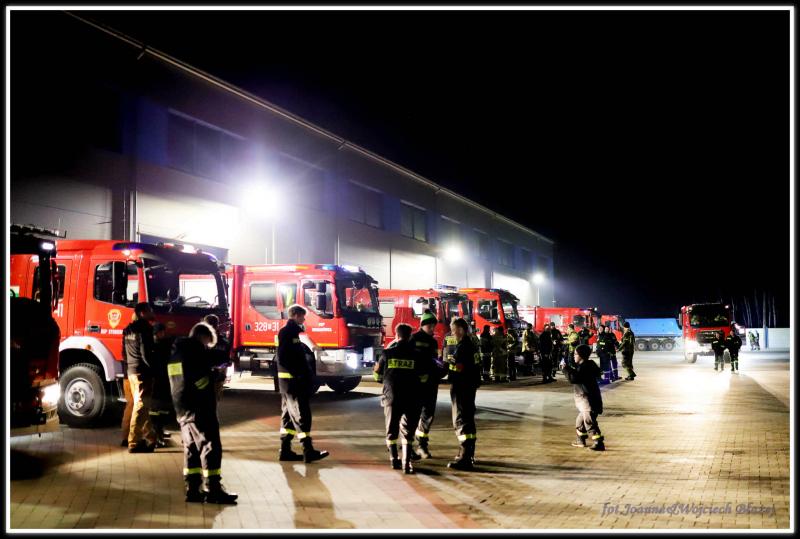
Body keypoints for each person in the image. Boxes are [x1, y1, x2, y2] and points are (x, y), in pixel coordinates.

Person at [169, 321, 238, 504]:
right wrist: (212, 376)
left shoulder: (177, 353)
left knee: (191, 448)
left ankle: (193, 489)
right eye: (207, 342)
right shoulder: (194, 350)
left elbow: (185, 378)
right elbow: (203, 374)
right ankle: (214, 488)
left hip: (182, 408)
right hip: (199, 407)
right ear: (202, 337)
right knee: (210, 445)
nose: (207, 346)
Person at [277, 305, 329, 463]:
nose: (304, 319)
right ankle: (308, 450)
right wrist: (299, 375)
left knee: (288, 417)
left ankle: (285, 450)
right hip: (293, 383)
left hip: (288, 383)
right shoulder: (288, 333)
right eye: (302, 316)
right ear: (295, 315)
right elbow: (285, 358)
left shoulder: (292, 333)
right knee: (302, 415)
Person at [373, 323, 428, 474]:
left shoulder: (387, 354)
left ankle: (393, 460)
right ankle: (407, 463)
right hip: (411, 398)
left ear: (397, 336)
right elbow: (424, 377)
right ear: (410, 337)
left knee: (391, 430)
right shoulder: (417, 355)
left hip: (391, 398)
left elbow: (377, 376)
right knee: (408, 431)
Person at [445, 317, 481, 470]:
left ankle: (465, 459)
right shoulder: (472, 345)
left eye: (453, 330)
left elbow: (459, 367)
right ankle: (468, 454)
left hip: (461, 387)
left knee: (461, 421)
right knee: (468, 420)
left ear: (461, 330)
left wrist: (446, 364)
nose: (452, 334)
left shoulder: (463, 347)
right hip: (470, 387)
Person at [122, 302, 158, 453]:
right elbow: (146, 354)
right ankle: (134, 442)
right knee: (141, 405)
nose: (152, 312)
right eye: (150, 310)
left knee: (141, 405)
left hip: (131, 371)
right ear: (143, 313)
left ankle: (150, 437)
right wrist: (154, 369)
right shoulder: (145, 329)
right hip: (142, 372)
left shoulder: (128, 329)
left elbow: (124, 353)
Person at [412, 310, 444, 460]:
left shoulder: (433, 342)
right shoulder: (413, 339)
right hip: (416, 384)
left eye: (433, 326)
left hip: (431, 384)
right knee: (413, 415)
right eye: (429, 326)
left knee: (427, 415)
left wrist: (440, 367)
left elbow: (434, 360)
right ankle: (408, 446)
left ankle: (422, 445)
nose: (432, 329)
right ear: (422, 325)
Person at [561, 344, 605, 451]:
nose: (574, 356)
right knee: (579, 423)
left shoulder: (585, 367)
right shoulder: (587, 365)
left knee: (589, 422)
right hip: (588, 400)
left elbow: (574, 378)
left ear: (581, 355)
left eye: (576, 354)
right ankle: (580, 440)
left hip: (588, 401)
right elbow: (577, 373)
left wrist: (565, 369)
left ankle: (598, 443)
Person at [149, 322, 175, 447]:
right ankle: (157, 435)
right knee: (157, 410)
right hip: (159, 381)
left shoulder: (155, 345)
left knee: (161, 409)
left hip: (161, 380)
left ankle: (160, 432)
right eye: (162, 332)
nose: (164, 334)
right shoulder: (161, 345)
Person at [203, 314, 231, 404]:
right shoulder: (224, 341)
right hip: (210, 376)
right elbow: (227, 360)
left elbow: (227, 361)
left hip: (212, 377)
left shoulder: (200, 341)